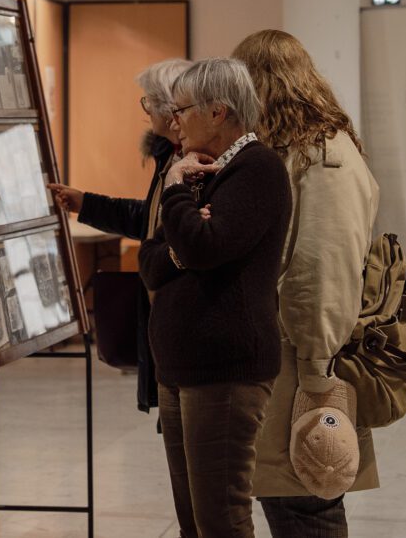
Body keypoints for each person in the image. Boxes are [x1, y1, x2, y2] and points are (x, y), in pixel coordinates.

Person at [231, 30, 380, 537]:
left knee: (305, 501)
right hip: (285, 354)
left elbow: (322, 272)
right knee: (294, 498)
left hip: (303, 362)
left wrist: (318, 375)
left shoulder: (322, 157)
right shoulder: (298, 150)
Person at [137, 58, 292, 538]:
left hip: (225, 369)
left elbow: (204, 247)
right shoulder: (204, 171)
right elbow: (151, 261)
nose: (175, 122)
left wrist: (176, 192)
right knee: (193, 521)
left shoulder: (256, 169)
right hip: (181, 365)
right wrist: (184, 240)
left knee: (221, 519)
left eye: (182, 110)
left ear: (218, 111)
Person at [47, 57, 191, 413]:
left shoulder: (191, 161)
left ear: (171, 108)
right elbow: (150, 218)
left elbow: (171, 233)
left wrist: (150, 260)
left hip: (182, 318)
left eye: (149, 101)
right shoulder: (169, 157)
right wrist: (86, 203)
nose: (146, 111)